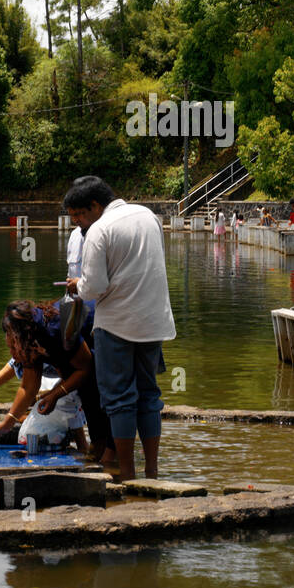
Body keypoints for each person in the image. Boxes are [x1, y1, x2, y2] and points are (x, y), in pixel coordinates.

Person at [64, 176, 176, 481]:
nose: (78, 223)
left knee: (119, 399)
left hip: (116, 324)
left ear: (95, 206)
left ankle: (125, 474)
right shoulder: (147, 216)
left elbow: (94, 287)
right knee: (148, 395)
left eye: (79, 216)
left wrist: (77, 285)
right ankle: (151, 472)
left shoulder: (100, 229)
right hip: (154, 322)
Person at [0, 300, 112, 461]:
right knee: (89, 401)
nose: (12, 353)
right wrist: (7, 423)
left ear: (24, 336)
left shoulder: (55, 328)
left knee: (100, 404)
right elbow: (28, 387)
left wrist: (55, 395)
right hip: (77, 359)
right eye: (9, 346)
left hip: (107, 334)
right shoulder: (28, 341)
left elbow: (86, 367)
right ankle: (102, 455)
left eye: (13, 346)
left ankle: (111, 461)